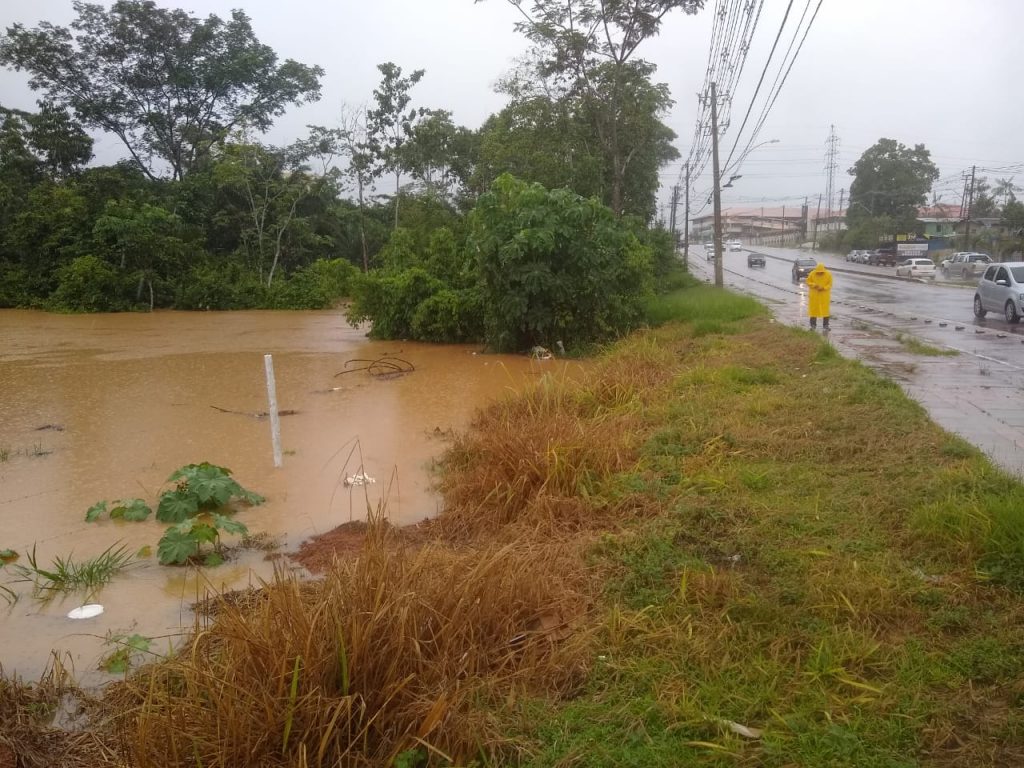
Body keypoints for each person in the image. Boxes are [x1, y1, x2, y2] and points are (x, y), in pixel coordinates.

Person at [805, 262, 832, 330]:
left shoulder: (828, 274)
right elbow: (808, 282)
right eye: (818, 272)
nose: (819, 273)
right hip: (814, 296)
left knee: (825, 311)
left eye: (821, 272)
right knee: (813, 311)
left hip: (824, 296)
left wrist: (823, 288)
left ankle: (826, 325)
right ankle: (813, 325)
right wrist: (814, 285)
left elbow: (830, 284)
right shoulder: (812, 273)